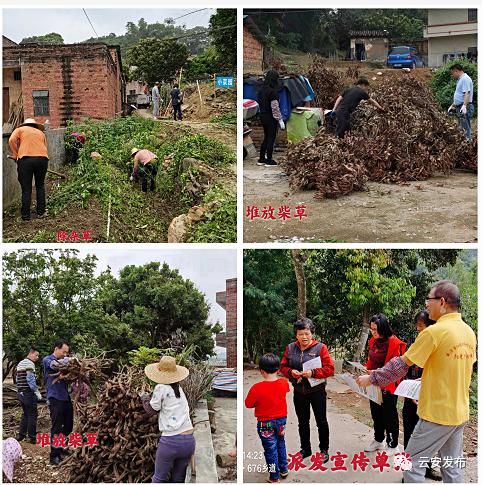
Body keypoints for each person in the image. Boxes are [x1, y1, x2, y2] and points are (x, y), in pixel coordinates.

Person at [357, 281, 477, 483]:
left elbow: (400, 365)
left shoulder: (433, 332)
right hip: (459, 413)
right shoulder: (468, 332)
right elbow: (455, 370)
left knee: (410, 465)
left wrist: (372, 378)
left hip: (437, 414)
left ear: (441, 302)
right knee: (452, 468)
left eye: (428, 299)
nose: (426, 304)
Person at [280, 318, 335, 462]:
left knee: (321, 421)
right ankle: (305, 449)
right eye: (300, 334)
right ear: (296, 335)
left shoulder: (320, 348)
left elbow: (330, 369)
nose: (304, 337)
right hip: (299, 391)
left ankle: (324, 450)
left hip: (317, 391)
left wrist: (313, 373)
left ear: (312, 333)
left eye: (307, 333)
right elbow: (282, 367)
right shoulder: (291, 348)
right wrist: (291, 372)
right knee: (302, 422)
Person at [141, 356, 195, 483]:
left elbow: (151, 410)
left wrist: (144, 398)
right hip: (189, 442)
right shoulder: (179, 389)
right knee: (178, 479)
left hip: (170, 442)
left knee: (159, 478)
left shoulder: (161, 387)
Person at [402, 311, 442, 481]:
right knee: (409, 436)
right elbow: (405, 369)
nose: (419, 330)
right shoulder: (414, 344)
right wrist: (409, 390)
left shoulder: (437, 346)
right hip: (410, 397)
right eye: (417, 326)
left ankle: (428, 468)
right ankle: (407, 472)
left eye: (421, 326)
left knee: (428, 438)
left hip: (428, 399)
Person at [364, 314, 406, 456]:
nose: (373, 332)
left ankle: (393, 444)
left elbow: (395, 368)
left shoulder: (394, 343)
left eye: (375, 330)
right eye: (371, 329)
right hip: (373, 383)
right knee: (376, 413)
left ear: (383, 328)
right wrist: (366, 369)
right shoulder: (373, 341)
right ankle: (378, 439)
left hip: (388, 385)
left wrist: (375, 372)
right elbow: (371, 359)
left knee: (389, 415)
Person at [245, 353, 290, 483]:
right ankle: (284, 469)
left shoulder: (257, 388)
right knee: (281, 443)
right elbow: (286, 391)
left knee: (270, 449)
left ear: (262, 371)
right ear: (278, 369)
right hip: (281, 421)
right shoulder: (283, 383)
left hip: (265, 424)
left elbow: (248, 404)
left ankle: (274, 477)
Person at [8, 118, 49, 221]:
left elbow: (11, 140)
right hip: (42, 159)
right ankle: (41, 212)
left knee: (26, 189)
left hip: (25, 160)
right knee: (40, 185)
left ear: (24, 125)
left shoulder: (20, 130)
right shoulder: (41, 133)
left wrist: (15, 154)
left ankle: (26, 216)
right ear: (35, 125)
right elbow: (45, 147)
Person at [42, 339, 73, 466]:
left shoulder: (64, 360)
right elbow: (55, 365)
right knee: (56, 427)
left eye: (67, 353)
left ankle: (60, 447)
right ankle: (54, 456)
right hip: (55, 398)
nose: (65, 355)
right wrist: (68, 362)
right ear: (56, 348)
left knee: (68, 425)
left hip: (65, 397)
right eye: (64, 352)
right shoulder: (47, 359)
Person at [257, 70, 284, 167]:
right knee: (271, 138)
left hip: (262, 115)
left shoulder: (261, 90)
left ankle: (261, 159)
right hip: (270, 117)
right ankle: (269, 160)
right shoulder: (273, 92)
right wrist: (280, 120)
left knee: (266, 137)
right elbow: (275, 108)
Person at [16, 347, 42, 443]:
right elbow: (30, 379)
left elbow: (18, 378)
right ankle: (32, 437)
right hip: (27, 393)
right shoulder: (30, 363)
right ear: (31, 353)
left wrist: (19, 391)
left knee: (25, 414)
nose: (37, 357)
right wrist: (36, 391)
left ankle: (21, 435)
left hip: (21, 392)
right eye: (36, 355)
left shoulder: (20, 363)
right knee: (32, 414)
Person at [447, 64, 474, 140]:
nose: (452, 75)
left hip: (465, 107)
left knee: (465, 128)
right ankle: (464, 144)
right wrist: (453, 106)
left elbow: (467, 93)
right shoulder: (461, 79)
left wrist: (464, 106)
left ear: (456, 71)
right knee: (461, 127)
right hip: (460, 107)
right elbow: (459, 95)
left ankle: (468, 145)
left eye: (452, 73)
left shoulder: (465, 79)